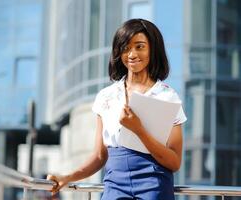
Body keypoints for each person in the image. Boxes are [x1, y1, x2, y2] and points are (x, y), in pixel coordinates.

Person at [47, 18, 187, 200]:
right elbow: (99, 156)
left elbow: (174, 162)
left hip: (154, 186)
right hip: (115, 185)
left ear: (153, 49)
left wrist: (138, 130)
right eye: (126, 48)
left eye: (139, 46)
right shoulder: (106, 96)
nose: (132, 54)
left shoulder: (167, 96)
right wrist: (67, 177)